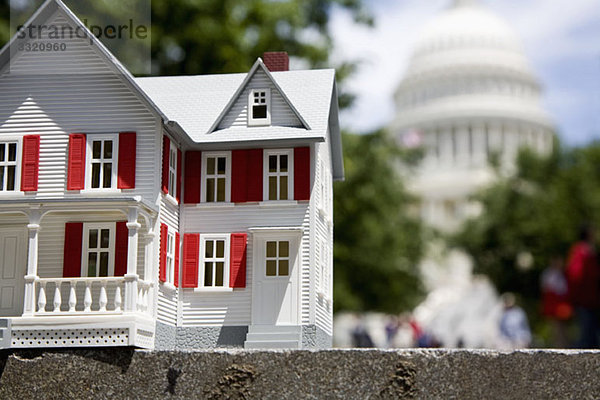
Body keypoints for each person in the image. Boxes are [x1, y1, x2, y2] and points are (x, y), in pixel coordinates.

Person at [566, 224, 600, 348]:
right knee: (586, 335)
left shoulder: (587, 250)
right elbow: (575, 274)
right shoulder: (581, 250)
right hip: (585, 298)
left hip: (591, 298)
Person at [540, 256, 572, 348]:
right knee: (556, 328)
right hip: (554, 305)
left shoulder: (560, 274)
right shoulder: (549, 274)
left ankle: (563, 345)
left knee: (563, 329)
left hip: (560, 305)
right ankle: (559, 346)